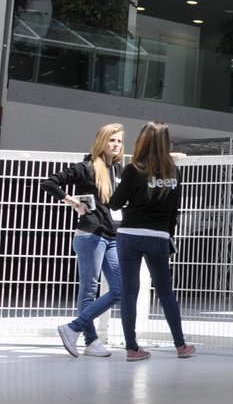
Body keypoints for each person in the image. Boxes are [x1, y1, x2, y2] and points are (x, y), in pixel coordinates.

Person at [109, 121, 192, 360]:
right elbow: (175, 210)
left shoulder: (135, 169)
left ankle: (132, 348)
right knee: (165, 291)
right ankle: (181, 345)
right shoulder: (174, 172)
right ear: (166, 143)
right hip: (159, 236)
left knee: (129, 292)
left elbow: (115, 203)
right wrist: (168, 235)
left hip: (130, 234)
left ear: (142, 141)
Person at [45, 123, 125, 358]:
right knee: (89, 290)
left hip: (111, 235)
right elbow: (49, 182)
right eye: (112, 140)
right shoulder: (86, 167)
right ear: (102, 141)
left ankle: (73, 328)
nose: (116, 144)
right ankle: (90, 341)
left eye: (119, 141)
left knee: (120, 289)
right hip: (90, 234)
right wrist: (72, 202)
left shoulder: (118, 170)